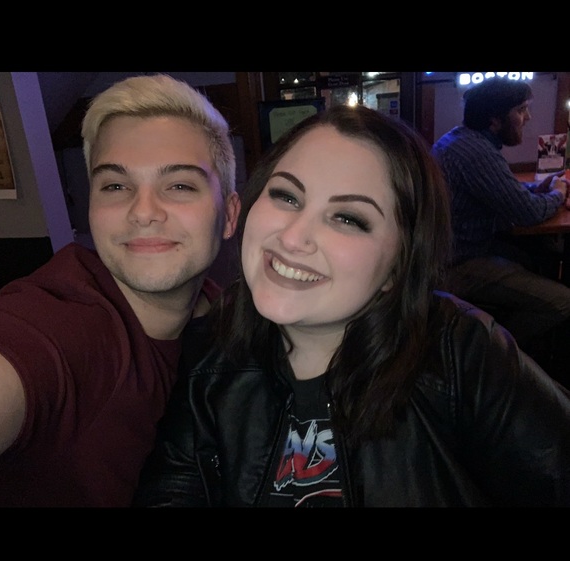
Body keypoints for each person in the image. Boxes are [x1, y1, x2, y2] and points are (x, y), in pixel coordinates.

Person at [133, 104, 570, 508]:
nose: (292, 238)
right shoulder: (210, 351)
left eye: (348, 219)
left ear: (398, 266)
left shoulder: (462, 353)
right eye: (286, 196)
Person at [0, 73, 240, 507]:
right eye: (116, 186)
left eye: (179, 185)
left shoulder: (226, 320)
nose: (142, 212)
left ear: (229, 216)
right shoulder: (62, 322)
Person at [432, 76, 570, 386]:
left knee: (537, 259)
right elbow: (527, 213)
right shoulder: (475, 153)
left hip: (457, 251)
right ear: (495, 119)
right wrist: (558, 193)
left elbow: (502, 192)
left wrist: (539, 188)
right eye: (521, 110)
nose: (528, 117)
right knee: (563, 301)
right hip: (457, 264)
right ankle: (490, 356)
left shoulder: (464, 140)